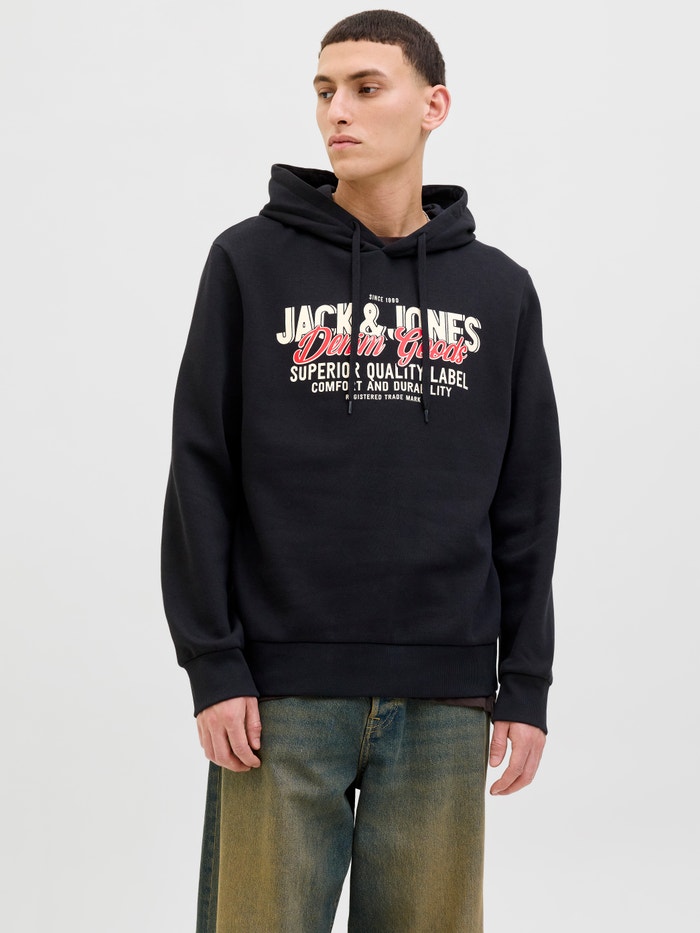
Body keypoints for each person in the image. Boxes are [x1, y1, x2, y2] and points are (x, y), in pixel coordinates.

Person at [161, 9, 561, 932]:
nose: (336, 110)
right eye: (324, 90)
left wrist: (527, 679)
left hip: (446, 692)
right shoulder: (248, 261)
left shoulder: (498, 290)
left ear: (434, 105)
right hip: (279, 693)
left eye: (366, 88)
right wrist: (214, 662)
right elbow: (201, 470)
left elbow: (527, 499)